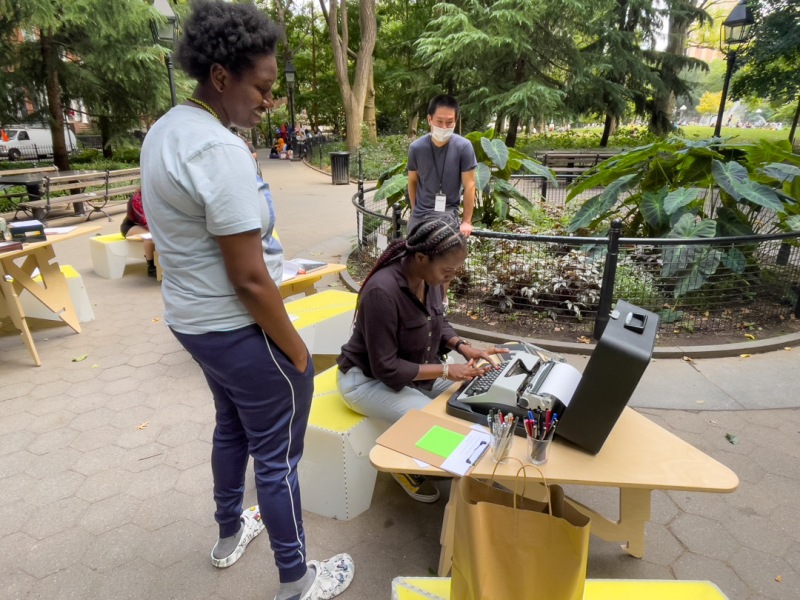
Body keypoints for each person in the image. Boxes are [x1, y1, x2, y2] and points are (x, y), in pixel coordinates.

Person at [139, 2, 354, 599]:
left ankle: (229, 532)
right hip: (238, 328)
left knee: (232, 427)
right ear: (220, 75)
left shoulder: (167, 129)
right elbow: (250, 280)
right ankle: (296, 580)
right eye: (261, 87)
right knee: (280, 456)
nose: (269, 101)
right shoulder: (217, 151)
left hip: (193, 323)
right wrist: (298, 354)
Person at [336, 217, 508, 503]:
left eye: (456, 270)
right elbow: (386, 368)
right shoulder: (382, 292)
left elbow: (437, 324)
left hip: (415, 374)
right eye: (448, 270)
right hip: (365, 381)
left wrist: (462, 347)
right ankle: (405, 463)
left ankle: (481, 473)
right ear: (420, 257)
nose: (451, 277)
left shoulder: (431, 280)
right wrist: (445, 369)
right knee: (436, 422)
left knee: (472, 401)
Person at [407, 95, 477, 237]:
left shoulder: (464, 147)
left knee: (443, 254)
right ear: (429, 119)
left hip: (448, 214)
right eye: (439, 121)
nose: (444, 127)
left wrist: (466, 221)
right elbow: (412, 181)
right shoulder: (416, 148)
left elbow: (470, 185)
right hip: (420, 215)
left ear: (455, 122)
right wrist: (414, 212)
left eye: (449, 122)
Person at [120, 188, 156, 278]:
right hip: (130, 226)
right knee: (150, 237)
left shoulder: (154, 196)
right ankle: (151, 267)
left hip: (146, 225)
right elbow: (144, 220)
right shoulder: (136, 199)